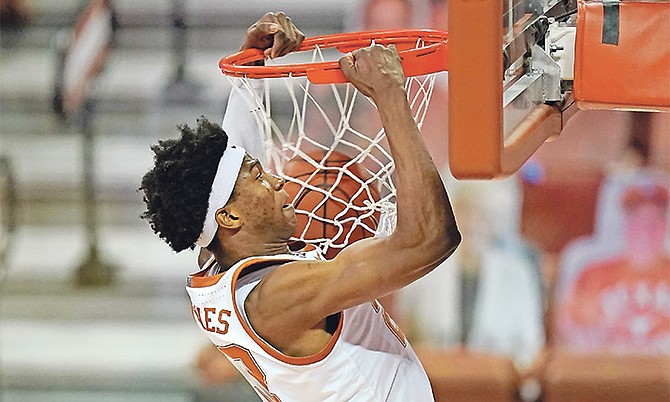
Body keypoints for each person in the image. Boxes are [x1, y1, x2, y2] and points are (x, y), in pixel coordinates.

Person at [140, 11, 461, 402]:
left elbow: (233, 164)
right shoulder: (279, 295)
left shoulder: (216, 260)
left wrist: (253, 64)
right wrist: (390, 95)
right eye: (260, 177)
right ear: (229, 216)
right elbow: (432, 239)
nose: (277, 179)